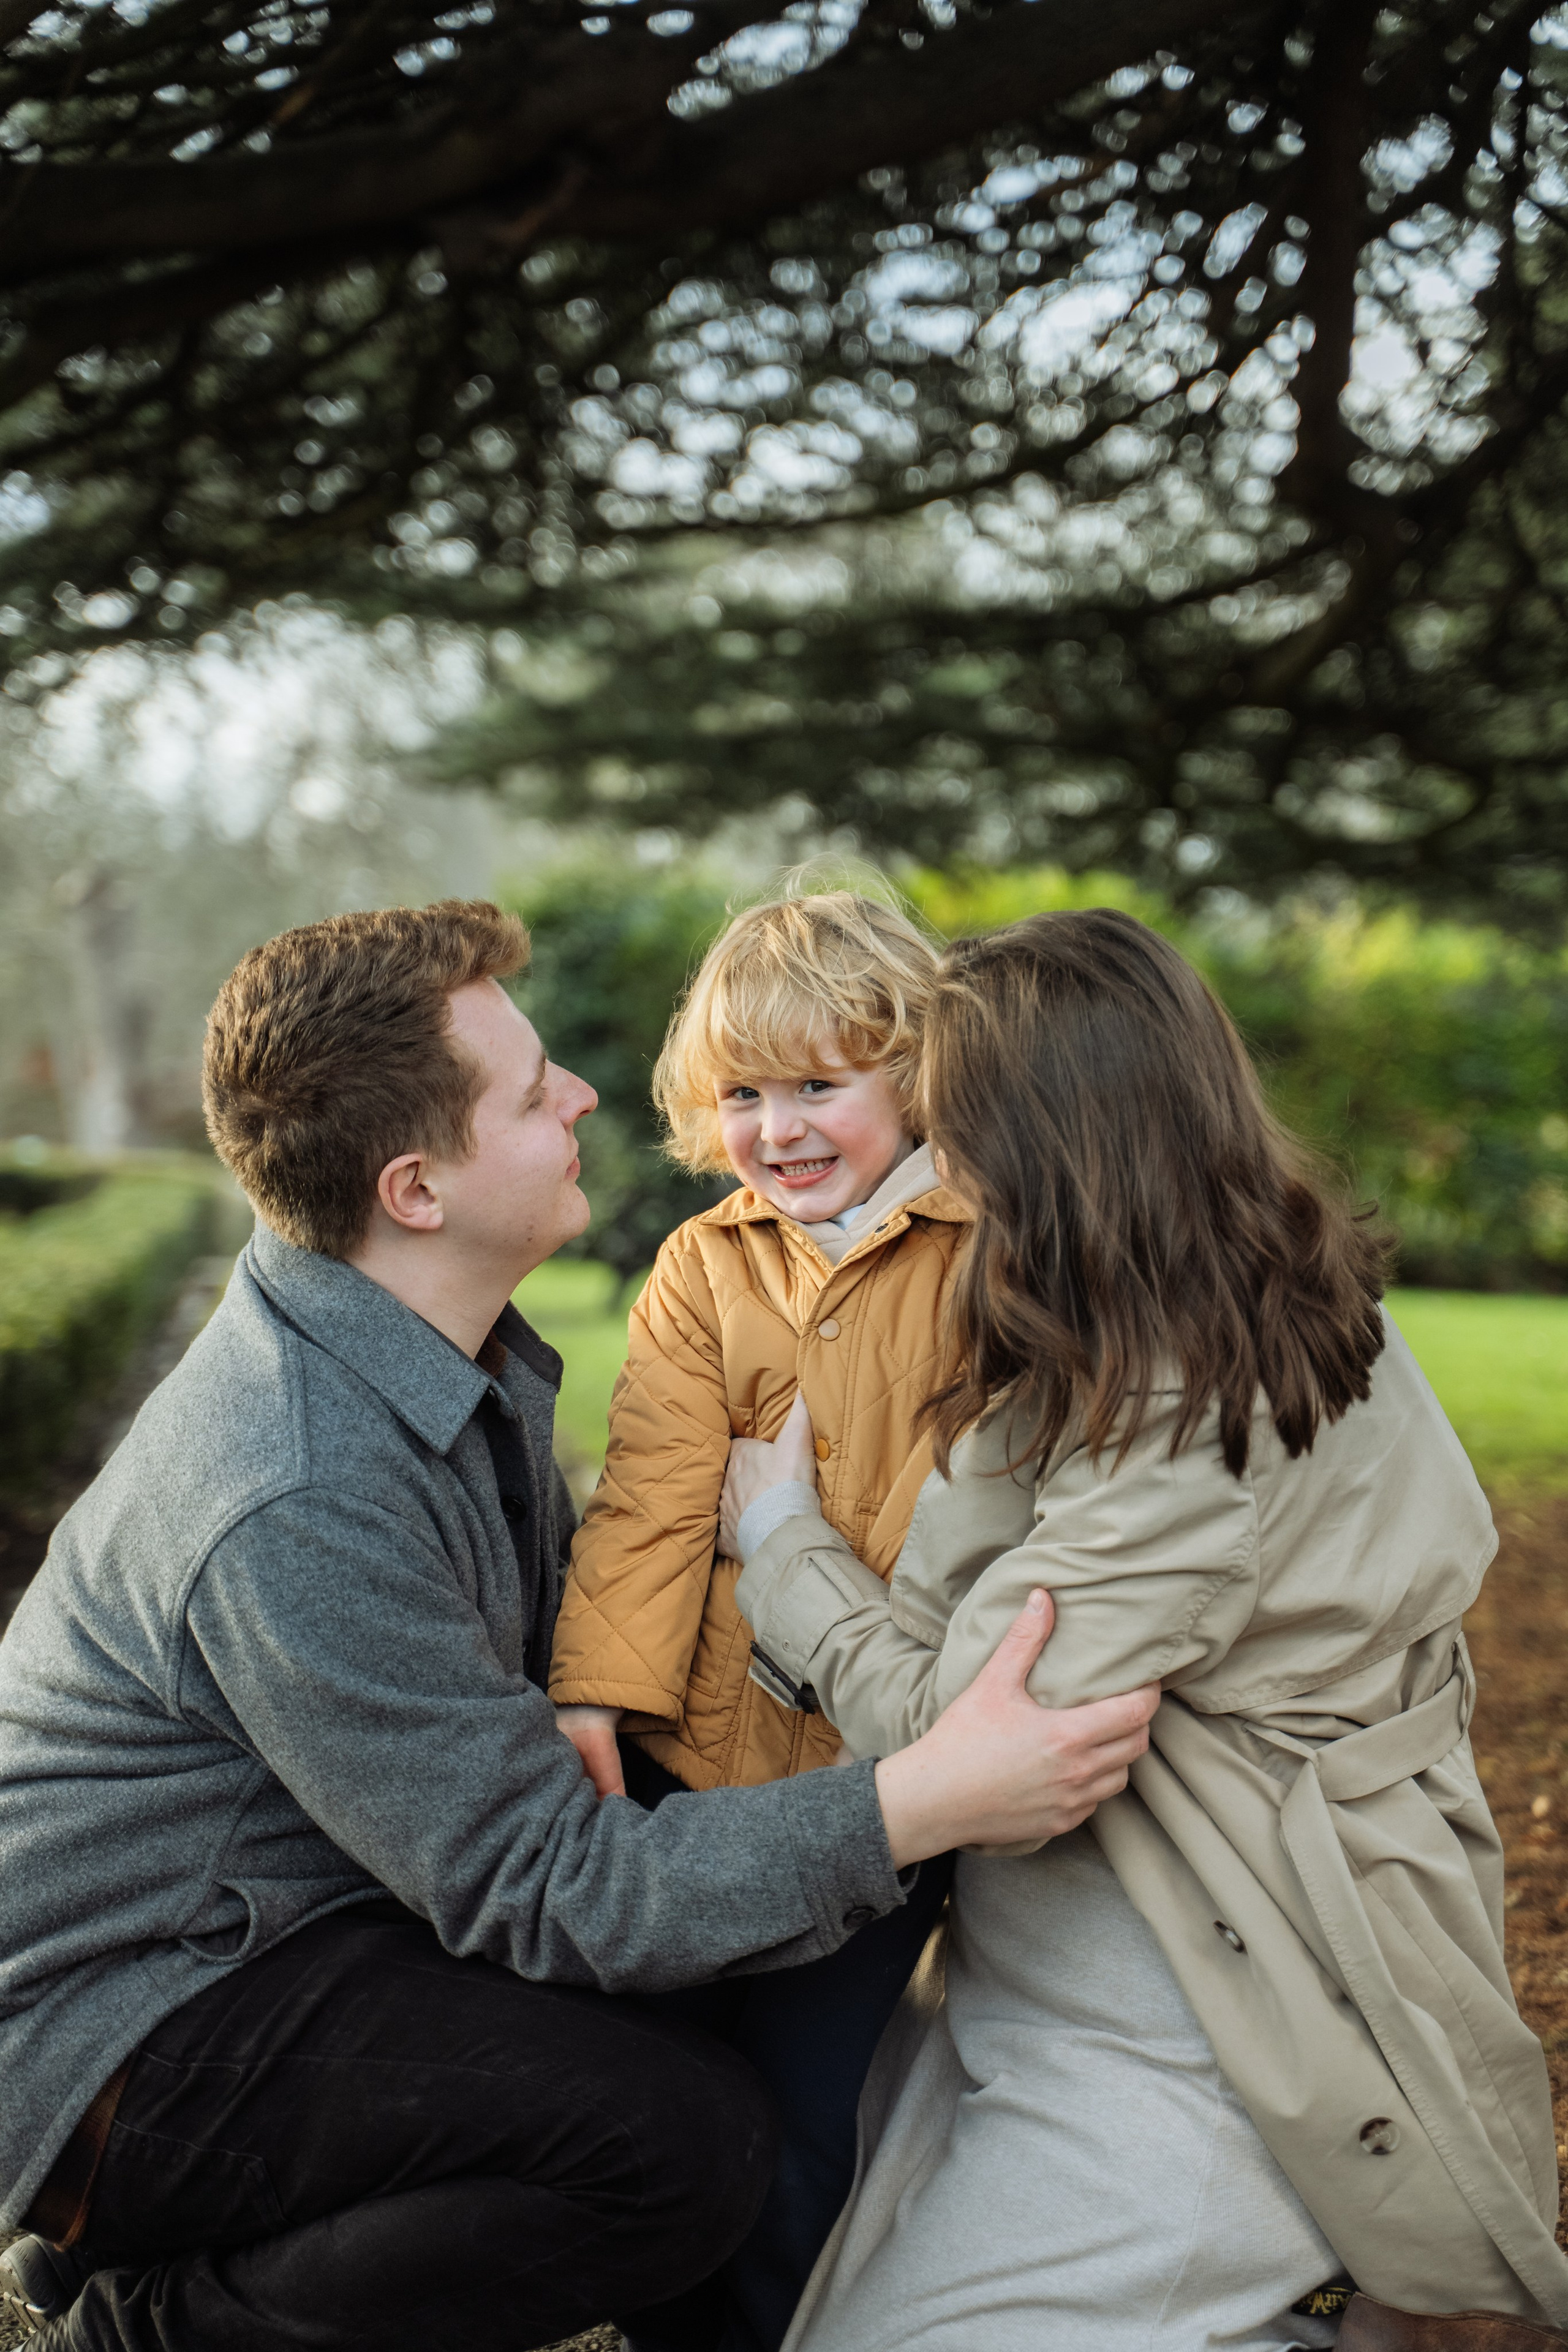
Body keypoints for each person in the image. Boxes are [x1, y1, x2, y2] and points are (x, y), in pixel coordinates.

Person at [0, 900, 1156, 2352]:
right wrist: (921, 1796)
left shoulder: (419, 1354)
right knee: (677, 2146)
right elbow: (552, 1893)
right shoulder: (291, 1490)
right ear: (417, 1190)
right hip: (131, 2034)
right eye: (534, 1090)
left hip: (298, 1926)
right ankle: (156, 2327)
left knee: (670, 2045)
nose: (586, 1097)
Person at [725, 908, 1568, 2352]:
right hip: (1087, 1956)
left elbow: (966, 1746)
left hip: (1198, 2000)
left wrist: (781, 1546)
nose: (933, 1163)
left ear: (1046, 1143)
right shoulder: (1183, 1306)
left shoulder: (1197, 1412)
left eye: (952, 1126)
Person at [549, 889, 969, 2350]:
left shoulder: (989, 1255)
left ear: (912, 1076)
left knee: (805, 2122)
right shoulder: (704, 1267)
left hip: (879, 1784)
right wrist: (595, 1695)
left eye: (817, 1086)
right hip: (695, 1763)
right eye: (743, 1093)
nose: (776, 1128)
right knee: (665, 2101)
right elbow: (653, 1499)